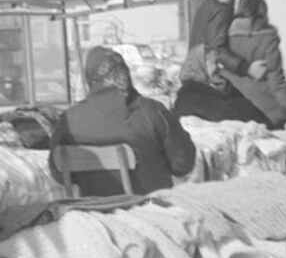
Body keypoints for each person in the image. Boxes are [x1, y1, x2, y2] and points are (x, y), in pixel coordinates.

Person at [49, 46, 196, 198]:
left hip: (96, 215)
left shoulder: (70, 120)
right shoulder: (152, 112)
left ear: (90, 78)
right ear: (126, 74)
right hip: (152, 211)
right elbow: (183, 164)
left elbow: (59, 173)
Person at [173, 0, 270, 124]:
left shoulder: (206, 5)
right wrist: (247, 68)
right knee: (261, 120)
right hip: (211, 82)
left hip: (198, 79)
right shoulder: (222, 7)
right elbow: (217, 49)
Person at [220, 0, 286, 129]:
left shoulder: (224, 36)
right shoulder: (267, 38)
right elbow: (276, 78)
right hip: (264, 110)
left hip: (231, 105)